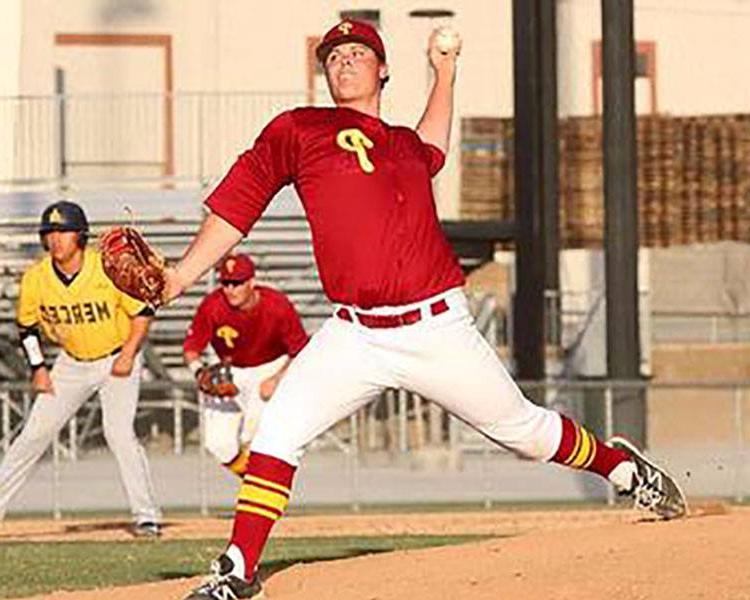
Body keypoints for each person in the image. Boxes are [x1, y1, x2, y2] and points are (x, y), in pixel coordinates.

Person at [167, 20, 686, 599]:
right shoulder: (299, 129)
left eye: (358, 52)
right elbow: (239, 204)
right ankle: (238, 571)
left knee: (526, 434)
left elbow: (432, 139)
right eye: (333, 56)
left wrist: (444, 72)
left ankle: (622, 467)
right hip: (354, 334)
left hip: (436, 328)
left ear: (383, 70)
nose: (344, 61)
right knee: (277, 434)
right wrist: (182, 274)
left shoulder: (403, 147)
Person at [0, 200, 162, 537]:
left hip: (117, 357)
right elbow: (27, 328)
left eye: (63, 231)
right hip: (70, 362)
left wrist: (129, 354)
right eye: (50, 232)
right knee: (32, 436)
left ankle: (147, 516)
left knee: (118, 434)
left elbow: (142, 312)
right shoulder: (37, 277)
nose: (55, 239)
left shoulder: (105, 268)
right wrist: (38, 369)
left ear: (81, 236)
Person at [183, 253, 309, 476]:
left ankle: (260, 489)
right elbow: (192, 347)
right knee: (218, 444)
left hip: (270, 367)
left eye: (237, 282)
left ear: (252, 282)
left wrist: (277, 379)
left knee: (255, 438)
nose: (230, 289)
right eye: (226, 283)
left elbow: (300, 350)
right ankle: (256, 482)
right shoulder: (213, 306)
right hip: (230, 370)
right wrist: (199, 372)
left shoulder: (276, 305)